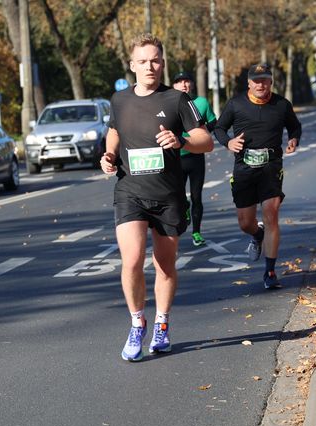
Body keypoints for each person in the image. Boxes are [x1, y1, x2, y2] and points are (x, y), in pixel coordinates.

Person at [100, 33, 213, 362]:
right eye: (143, 61)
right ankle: (137, 322)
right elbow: (115, 131)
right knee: (132, 260)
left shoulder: (176, 100)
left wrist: (181, 141)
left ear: (162, 64)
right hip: (130, 191)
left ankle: (161, 324)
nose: (150, 66)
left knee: (164, 266)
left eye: (156, 60)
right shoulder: (119, 100)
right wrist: (108, 155)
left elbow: (205, 141)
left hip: (168, 195)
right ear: (132, 65)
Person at [213, 63, 301, 289]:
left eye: (265, 80)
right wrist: (229, 142)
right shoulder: (236, 104)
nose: (261, 84)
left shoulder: (281, 105)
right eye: (256, 80)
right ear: (249, 83)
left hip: (271, 166)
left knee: (271, 213)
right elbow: (219, 128)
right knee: (245, 222)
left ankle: (270, 272)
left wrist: (293, 139)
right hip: (244, 167)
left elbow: (295, 127)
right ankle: (257, 234)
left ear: (271, 81)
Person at [172, 71, 217, 247]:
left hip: (196, 158)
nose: (183, 84)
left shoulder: (201, 102)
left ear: (191, 84)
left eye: (186, 81)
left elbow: (213, 124)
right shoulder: (170, 103)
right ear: (174, 85)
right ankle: (184, 206)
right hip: (176, 158)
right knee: (178, 196)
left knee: (197, 196)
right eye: (179, 81)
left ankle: (197, 232)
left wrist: (204, 132)